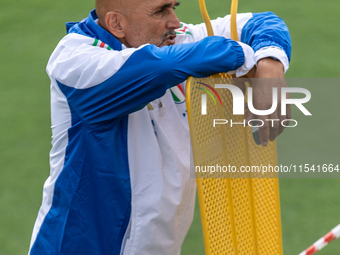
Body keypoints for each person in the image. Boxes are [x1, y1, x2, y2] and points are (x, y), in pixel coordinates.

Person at [28, 0, 291, 254]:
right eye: (160, 11)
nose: (175, 22)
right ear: (116, 24)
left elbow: (263, 23)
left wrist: (270, 64)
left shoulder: (175, 40)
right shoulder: (74, 61)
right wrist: (243, 56)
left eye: (174, 7)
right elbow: (159, 66)